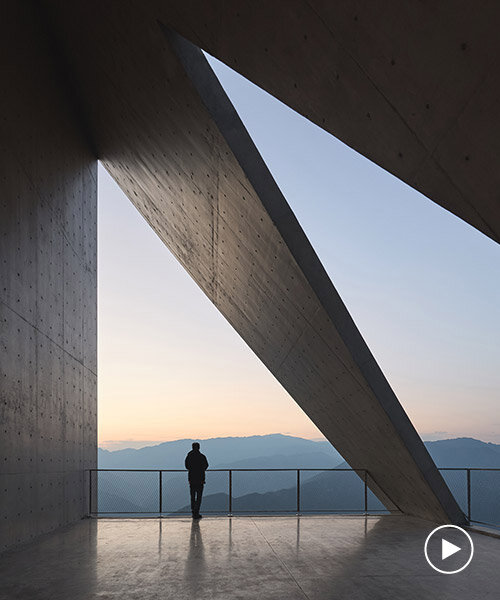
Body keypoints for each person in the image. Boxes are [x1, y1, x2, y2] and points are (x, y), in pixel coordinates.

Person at [184, 442, 209, 519]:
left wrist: (192, 470)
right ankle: (196, 511)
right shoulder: (202, 456)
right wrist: (201, 470)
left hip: (192, 479)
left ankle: (193, 511)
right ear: (199, 447)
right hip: (200, 479)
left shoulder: (189, 457)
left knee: (192, 496)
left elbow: (186, 466)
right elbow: (206, 465)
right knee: (199, 496)